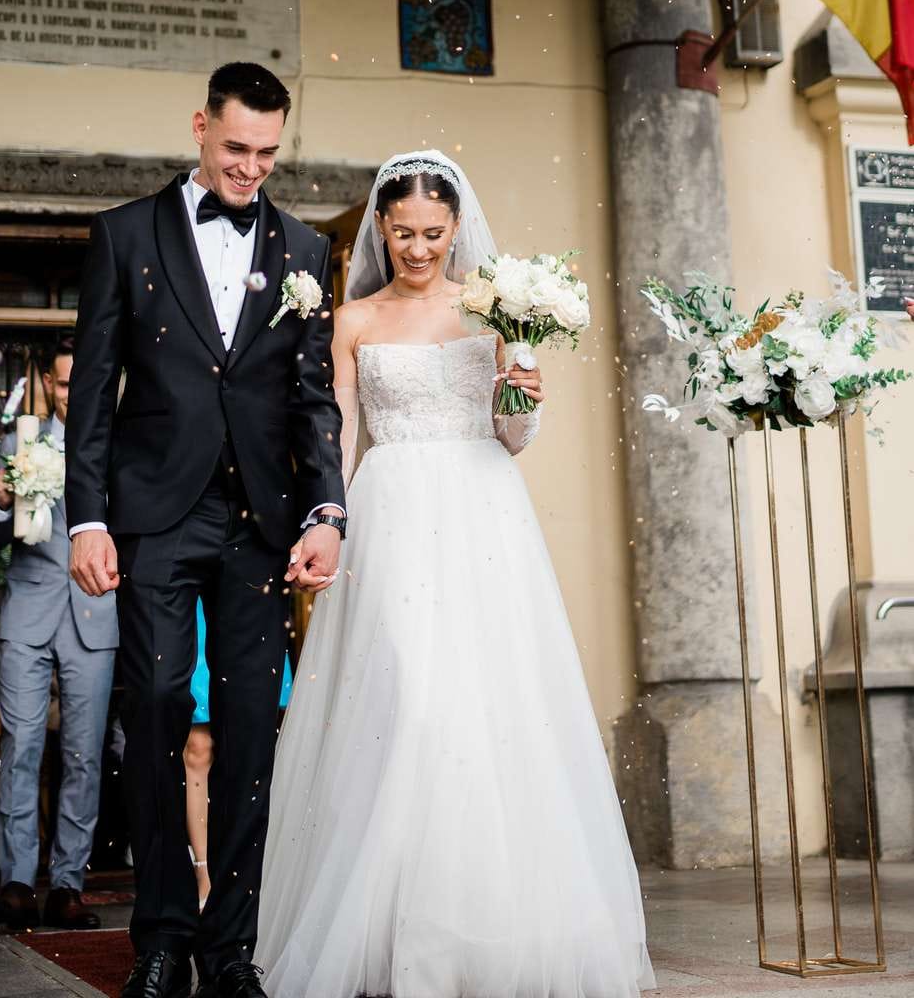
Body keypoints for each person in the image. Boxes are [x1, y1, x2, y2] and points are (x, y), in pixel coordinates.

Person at [256, 151, 655, 998]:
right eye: (403, 233)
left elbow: (512, 437)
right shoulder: (353, 320)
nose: (418, 249)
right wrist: (326, 523)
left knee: (488, 706)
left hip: (483, 515)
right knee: (406, 703)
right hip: (392, 517)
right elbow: (338, 437)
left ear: (456, 226)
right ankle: (395, 920)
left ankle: (489, 921)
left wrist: (524, 395)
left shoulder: (494, 309)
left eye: (433, 234)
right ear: (379, 227)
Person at [65, 61, 346, 998]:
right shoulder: (124, 234)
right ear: (199, 127)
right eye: (235, 148)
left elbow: (313, 400)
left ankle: (229, 952)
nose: (250, 168)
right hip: (154, 516)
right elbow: (92, 392)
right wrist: (89, 519)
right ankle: (160, 940)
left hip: (259, 525)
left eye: (267, 153)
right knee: (153, 708)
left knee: (250, 732)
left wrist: (326, 511)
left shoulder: (304, 249)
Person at [0, 336, 117, 933]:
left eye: (81, 382)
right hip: (28, 615)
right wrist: (1, 502)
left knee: (85, 755)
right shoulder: (18, 444)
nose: (72, 393)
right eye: (63, 383)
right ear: (48, 385)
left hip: (95, 614)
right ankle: (15, 883)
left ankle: (68, 885)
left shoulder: (119, 447)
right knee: (22, 748)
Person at [185, 600, 292, 911]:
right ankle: (204, 873)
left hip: (242, 599)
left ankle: (249, 872)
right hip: (190, 603)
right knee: (198, 746)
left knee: (250, 741)